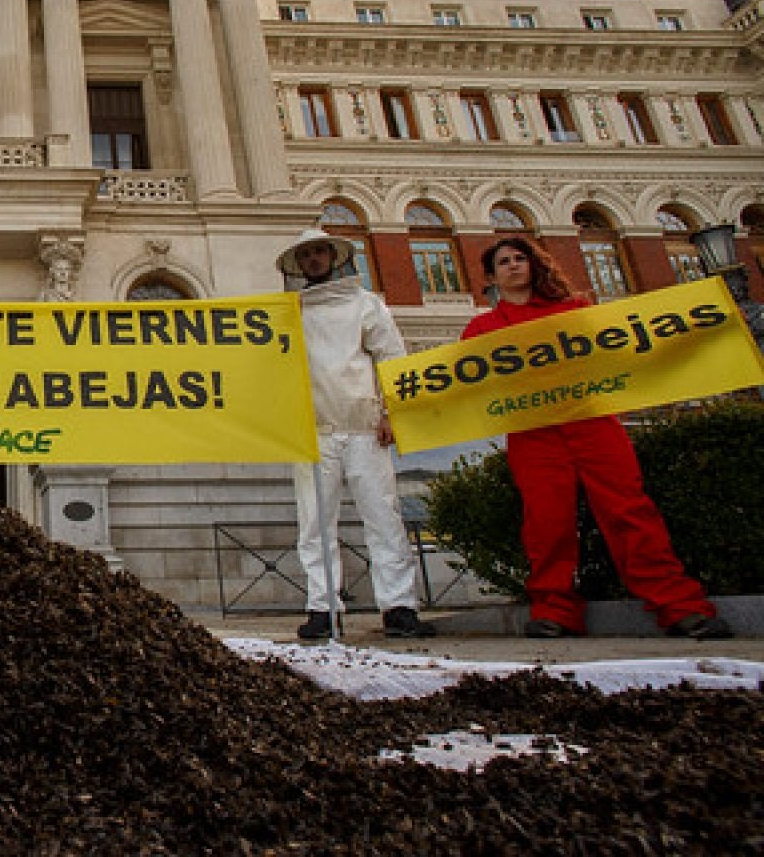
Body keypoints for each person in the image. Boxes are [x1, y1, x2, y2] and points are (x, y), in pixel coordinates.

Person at [462, 237, 733, 640]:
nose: (514, 266)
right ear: (492, 276)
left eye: (521, 259)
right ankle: (553, 608)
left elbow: (620, 354)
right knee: (546, 521)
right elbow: (465, 387)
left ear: (535, 266)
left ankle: (679, 605)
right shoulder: (482, 329)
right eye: (504, 262)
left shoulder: (577, 313)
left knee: (629, 510)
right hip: (534, 433)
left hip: (592, 422)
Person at [277, 228, 434, 640]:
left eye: (319, 252)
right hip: (314, 432)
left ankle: (399, 606)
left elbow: (392, 359)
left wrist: (392, 414)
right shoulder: (287, 312)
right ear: (298, 264)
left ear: (333, 257)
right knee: (314, 523)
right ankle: (322, 607)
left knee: (383, 516)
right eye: (306, 254)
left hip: (364, 427)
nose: (313, 260)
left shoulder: (367, 304)